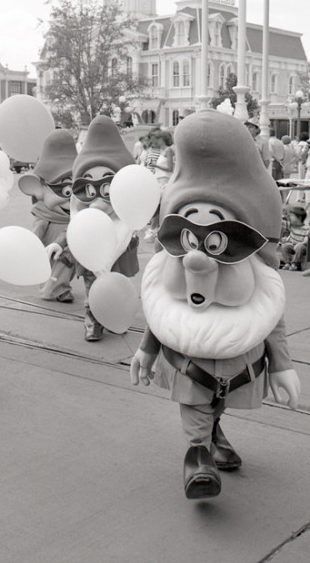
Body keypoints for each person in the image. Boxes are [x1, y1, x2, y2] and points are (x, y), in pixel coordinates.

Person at [130, 110, 300, 500]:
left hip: (238, 357)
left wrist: (283, 365)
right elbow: (160, 309)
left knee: (214, 405)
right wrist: (146, 347)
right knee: (196, 405)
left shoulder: (255, 274)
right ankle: (198, 457)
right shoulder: (172, 265)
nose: (197, 258)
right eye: (188, 236)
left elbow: (270, 316)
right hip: (188, 357)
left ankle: (213, 431)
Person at [70, 115, 138, 341]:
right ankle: (93, 321)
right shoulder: (80, 213)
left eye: (107, 188)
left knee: (117, 282)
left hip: (119, 241)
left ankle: (115, 316)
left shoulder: (126, 217)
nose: (99, 197)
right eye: (90, 188)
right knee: (92, 284)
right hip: (90, 239)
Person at [18, 129, 78, 303]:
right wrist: (32, 246)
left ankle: (61, 287)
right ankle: (53, 289)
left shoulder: (76, 216)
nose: (70, 199)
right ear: (38, 189)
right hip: (49, 246)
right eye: (65, 191)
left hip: (67, 242)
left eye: (76, 189)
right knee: (53, 263)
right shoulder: (43, 213)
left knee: (66, 261)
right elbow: (37, 231)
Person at [279, 205, 309, 271]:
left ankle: (295, 264)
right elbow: (282, 222)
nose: (290, 217)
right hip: (292, 245)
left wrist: (300, 243)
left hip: (302, 246)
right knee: (284, 246)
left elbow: (306, 240)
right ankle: (287, 263)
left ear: (299, 218)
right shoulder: (291, 225)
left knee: (300, 247)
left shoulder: (306, 228)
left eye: (292, 216)